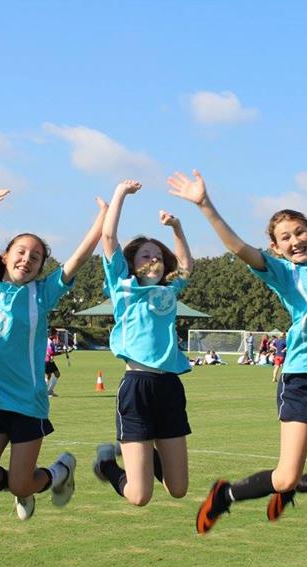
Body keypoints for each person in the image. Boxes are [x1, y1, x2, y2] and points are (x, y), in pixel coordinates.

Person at [169, 127, 307, 534]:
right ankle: (226, 495)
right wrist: (205, 204)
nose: (296, 240)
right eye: (285, 237)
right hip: (304, 376)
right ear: (275, 247)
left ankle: (286, 492)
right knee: (286, 475)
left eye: (300, 231)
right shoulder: (282, 271)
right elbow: (238, 248)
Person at [0, 188, 107, 520]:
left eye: (35, 257)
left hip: (26, 403)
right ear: (7, 255)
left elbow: (79, 257)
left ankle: (60, 471)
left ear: (40, 268)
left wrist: (103, 218)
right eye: (21, 252)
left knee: (23, 484)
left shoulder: (42, 293)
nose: (27, 259)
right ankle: (27, 486)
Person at [91, 179, 195, 508]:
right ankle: (108, 465)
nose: (151, 259)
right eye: (144, 255)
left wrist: (176, 228)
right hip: (136, 386)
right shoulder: (123, 288)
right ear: (133, 264)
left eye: (157, 256)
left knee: (177, 489)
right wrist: (119, 192)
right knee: (139, 496)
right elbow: (108, 237)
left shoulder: (169, 292)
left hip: (169, 388)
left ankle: (141, 446)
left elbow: (187, 267)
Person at [45, 329, 62, 397]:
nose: (57, 335)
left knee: (57, 374)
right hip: (47, 361)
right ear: (53, 334)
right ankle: (45, 392)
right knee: (48, 376)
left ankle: (49, 391)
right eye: (56, 334)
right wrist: (61, 352)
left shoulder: (51, 341)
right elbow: (51, 353)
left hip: (50, 361)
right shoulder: (49, 342)